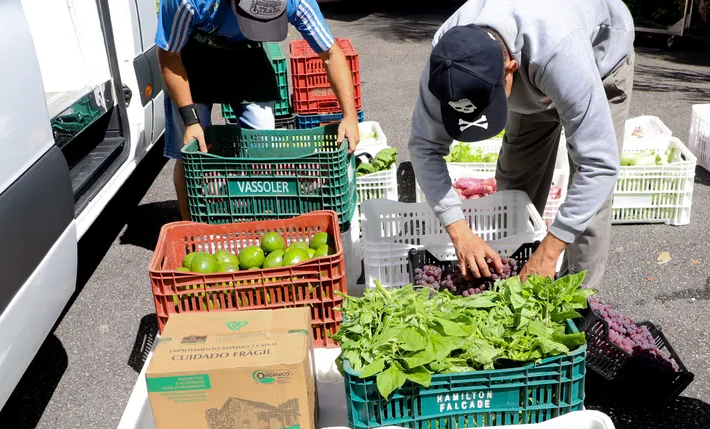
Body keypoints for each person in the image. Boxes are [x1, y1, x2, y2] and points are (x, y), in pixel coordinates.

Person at [408, 0, 635, 287]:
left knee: (590, 207)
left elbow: (599, 166)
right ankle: (511, 281)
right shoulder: (444, 65)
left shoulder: (558, 52)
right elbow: (424, 147)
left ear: (510, 69)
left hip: (601, 57)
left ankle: (577, 304)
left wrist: (550, 251)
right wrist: (459, 231)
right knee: (515, 185)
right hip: (536, 69)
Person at [157, 0, 360, 220]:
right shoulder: (189, 2)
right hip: (189, 55)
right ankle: (193, 232)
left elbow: (331, 54)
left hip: (246, 53)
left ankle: (255, 218)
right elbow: (169, 55)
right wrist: (191, 122)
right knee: (191, 153)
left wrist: (349, 116)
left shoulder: (296, 2)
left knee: (263, 145)